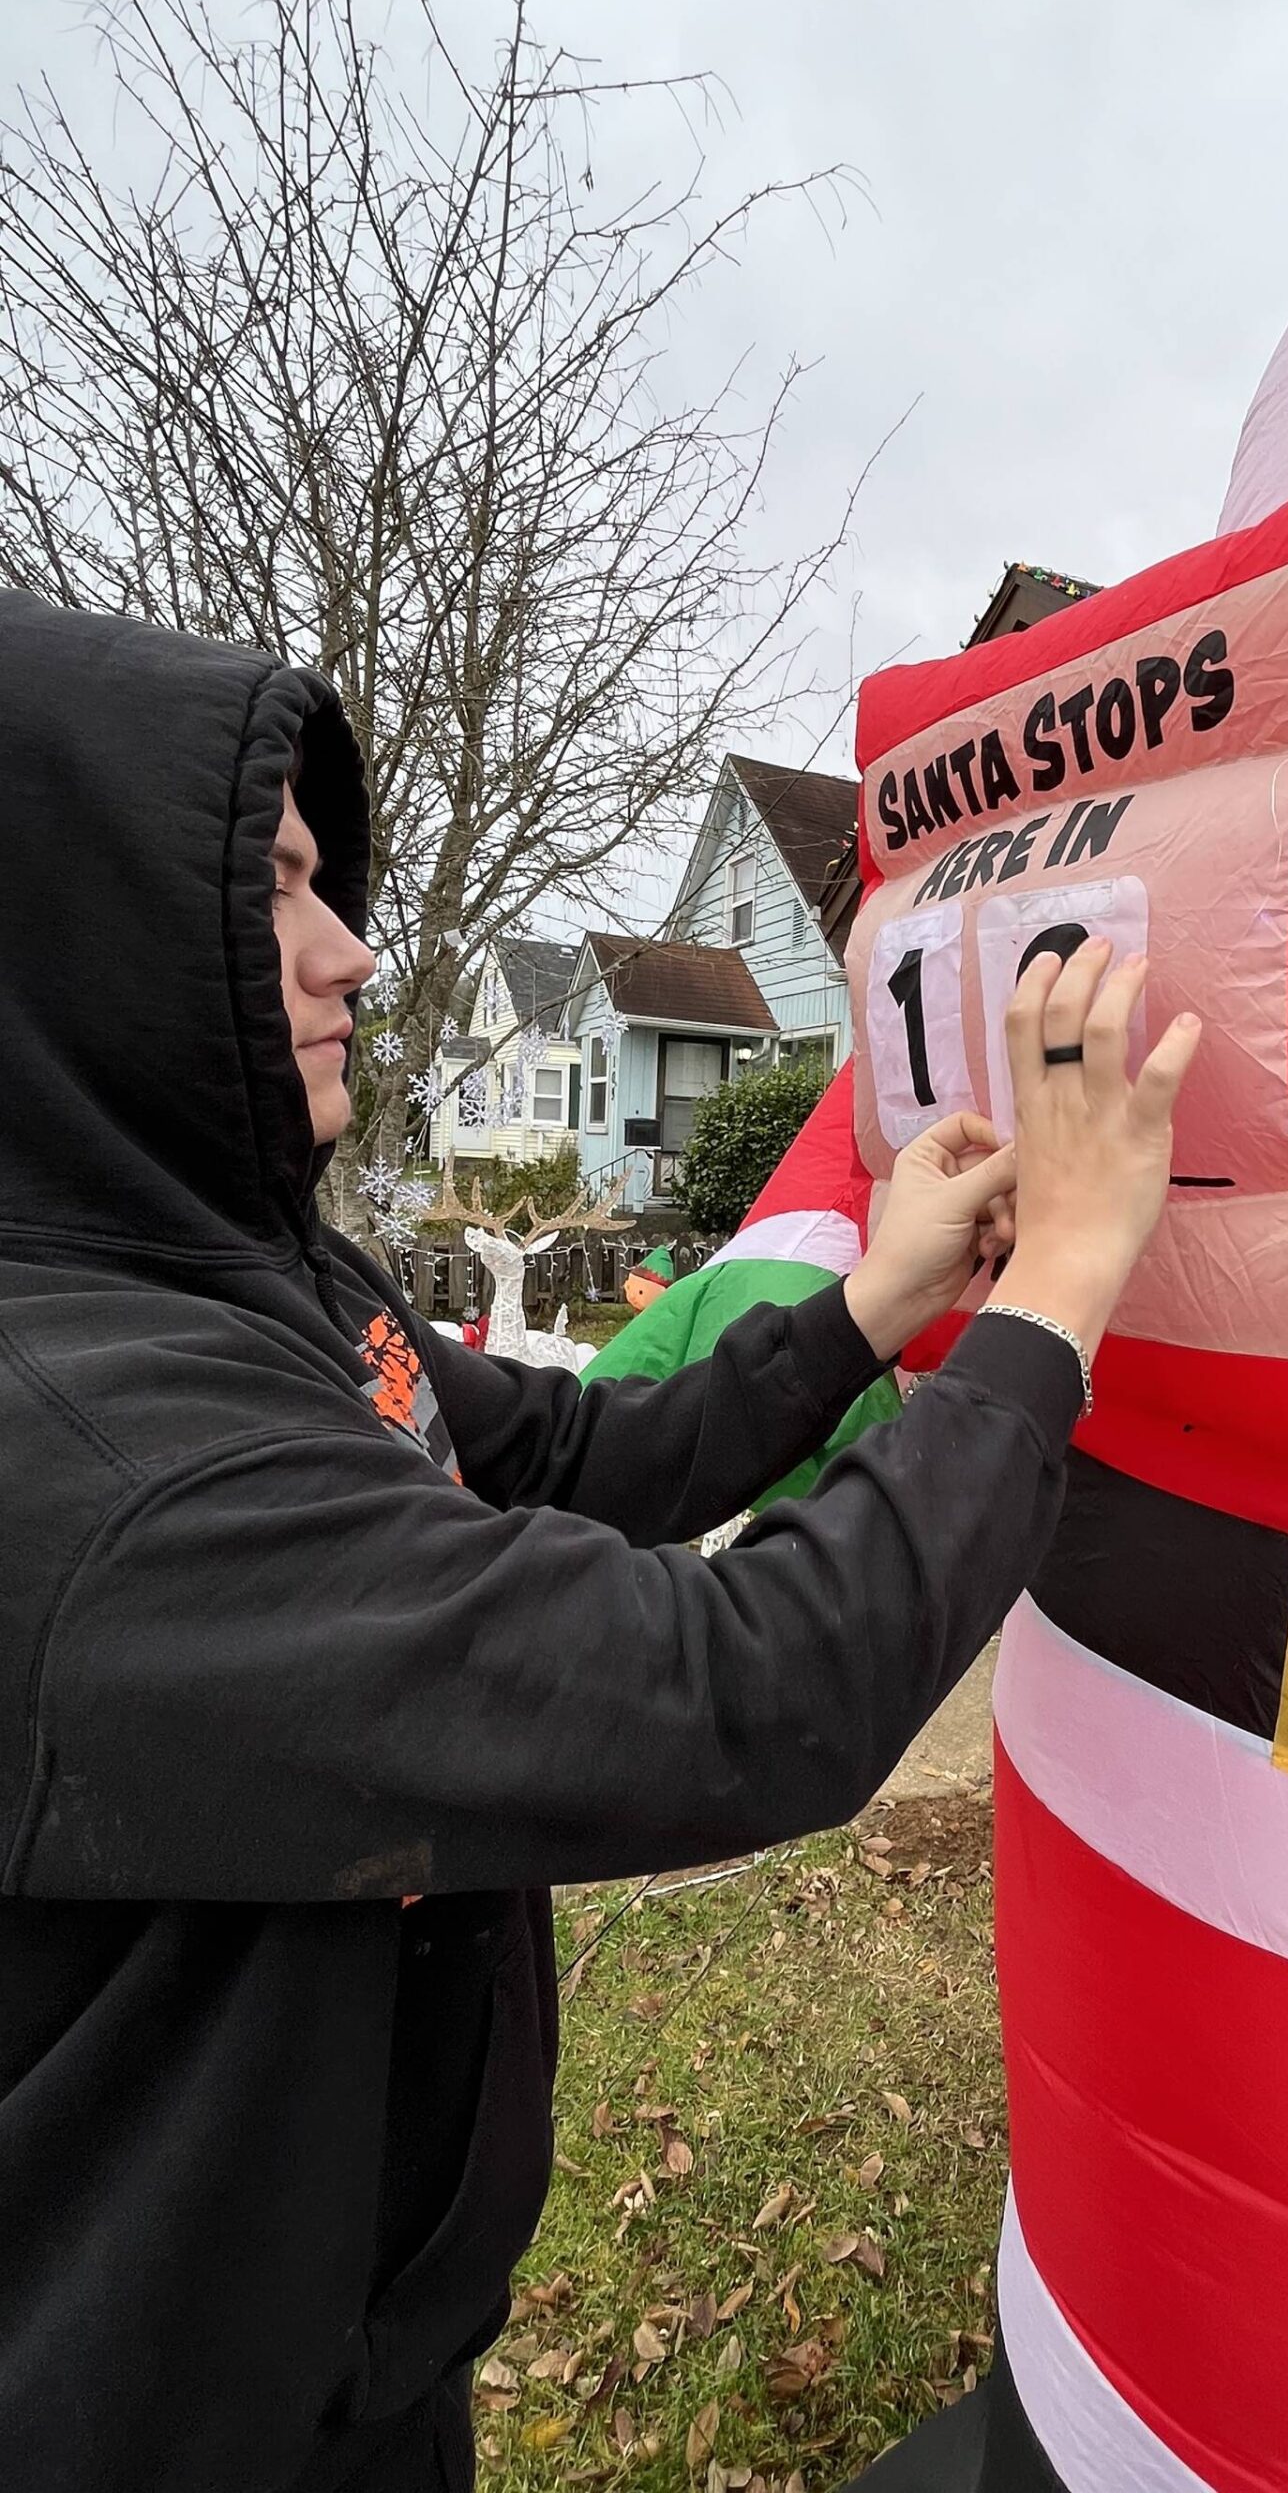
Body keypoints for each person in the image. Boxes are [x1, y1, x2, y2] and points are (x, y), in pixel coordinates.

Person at [0, 593, 1199, 2493]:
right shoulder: (95, 1456)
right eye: (276, 892)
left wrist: (871, 1309)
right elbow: (737, 1692)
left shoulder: (255, 1283)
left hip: (344, 2341)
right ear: (76, 941)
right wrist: (1058, 1291)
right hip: (169, 2411)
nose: (350, 954)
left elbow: (580, 1451)